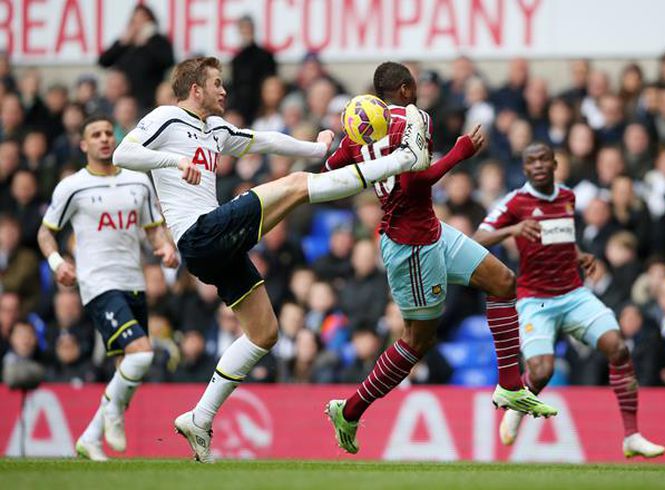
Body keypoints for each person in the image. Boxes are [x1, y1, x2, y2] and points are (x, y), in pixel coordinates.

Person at [112, 56, 430, 463]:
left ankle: (200, 418)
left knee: (265, 333)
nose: (224, 90)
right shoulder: (167, 119)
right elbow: (125, 154)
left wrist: (313, 148)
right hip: (200, 233)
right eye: (216, 83)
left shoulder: (215, 129)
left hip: (212, 249)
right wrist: (175, 161)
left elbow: (265, 140)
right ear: (195, 90)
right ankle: (402, 160)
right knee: (297, 186)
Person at [323, 62, 557, 455]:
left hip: (432, 230)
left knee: (502, 281)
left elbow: (330, 167)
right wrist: (459, 154)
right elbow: (416, 182)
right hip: (410, 246)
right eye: (412, 84)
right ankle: (349, 410)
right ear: (401, 89)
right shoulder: (415, 119)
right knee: (417, 342)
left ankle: (511, 386)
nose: (418, 91)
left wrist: (353, 157)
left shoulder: (357, 135)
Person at [473, 142, 665, 459]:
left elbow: (561, 237)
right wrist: (514, 229)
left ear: (554, 163)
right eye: (531, 161)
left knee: (618, 348)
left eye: (543, 160)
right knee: (542, 370)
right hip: (535, 300)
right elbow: (478, 237)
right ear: (524, 169)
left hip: (574, 294)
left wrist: (580, 255)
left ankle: (632, 436)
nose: (537, 165)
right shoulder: (515, 202)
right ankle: (519, 401)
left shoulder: (568, 197)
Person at [38, 115, 179, 461]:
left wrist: (165, 247)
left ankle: (90, 438)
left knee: (130, 368)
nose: (103, 139)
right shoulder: (73, 186)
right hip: (98, 282)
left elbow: (153, 227)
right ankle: (112, 415)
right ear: (84, 144)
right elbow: (46, 232)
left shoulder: (138, 182)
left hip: (134, 281)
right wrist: (59, 264)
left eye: (107, 133)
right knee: (143, 354)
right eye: (95, 135)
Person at [98, 5, 174, 110]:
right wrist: (122, 43)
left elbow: (168, 61)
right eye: (136, 20)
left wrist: (148, 43)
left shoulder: (158, 41)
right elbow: (103, 61)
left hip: (148, 100)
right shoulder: (125, 43)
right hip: (123, 101)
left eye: (143, 20)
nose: (139, 24)